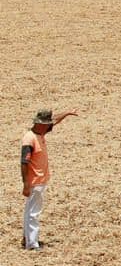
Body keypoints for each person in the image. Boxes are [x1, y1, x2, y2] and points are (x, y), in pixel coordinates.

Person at [21, 108, 78, 251]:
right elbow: (24, 162)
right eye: (47, 124)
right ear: (40, 124)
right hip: (35, 181)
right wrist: (26, 184)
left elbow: (55, 121)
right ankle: (32, 244)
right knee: (33, 213)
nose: (49, 126)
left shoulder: (40, 132)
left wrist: (67, 113)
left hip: (40, 181)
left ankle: (27, 238)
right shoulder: (30, 139)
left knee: (30, 211)